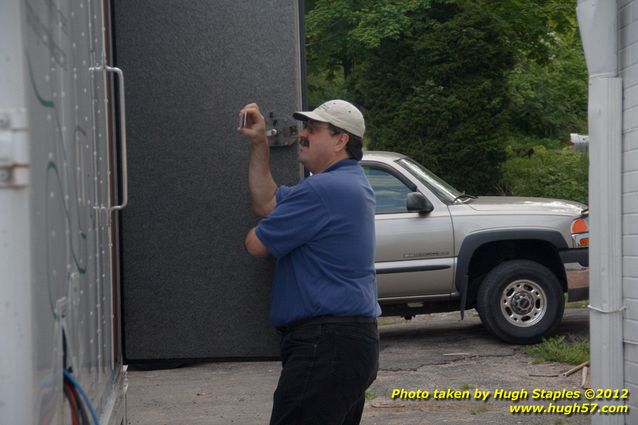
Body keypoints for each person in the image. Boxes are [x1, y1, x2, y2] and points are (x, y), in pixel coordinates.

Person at [237, 100, 381, 425]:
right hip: (345, 345)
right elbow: (267, 202)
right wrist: (260, 143)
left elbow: (255, 244)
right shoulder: (346, 184)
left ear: (340, 140)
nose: (302, 135)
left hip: (326, 346)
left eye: (312, 130)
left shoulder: (323, 190)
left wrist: (274, 227)